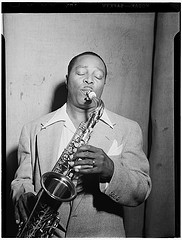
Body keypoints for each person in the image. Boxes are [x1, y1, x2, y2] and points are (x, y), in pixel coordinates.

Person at [11, 51, 151, 237]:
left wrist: (111, 170)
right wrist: (23, 194)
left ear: (103, 84)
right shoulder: (33, 129)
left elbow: (141, 190)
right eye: (81, 73)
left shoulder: (128, 128)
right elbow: (22, 180)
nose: (89, 80)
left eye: (98, 76)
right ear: (68, 80)